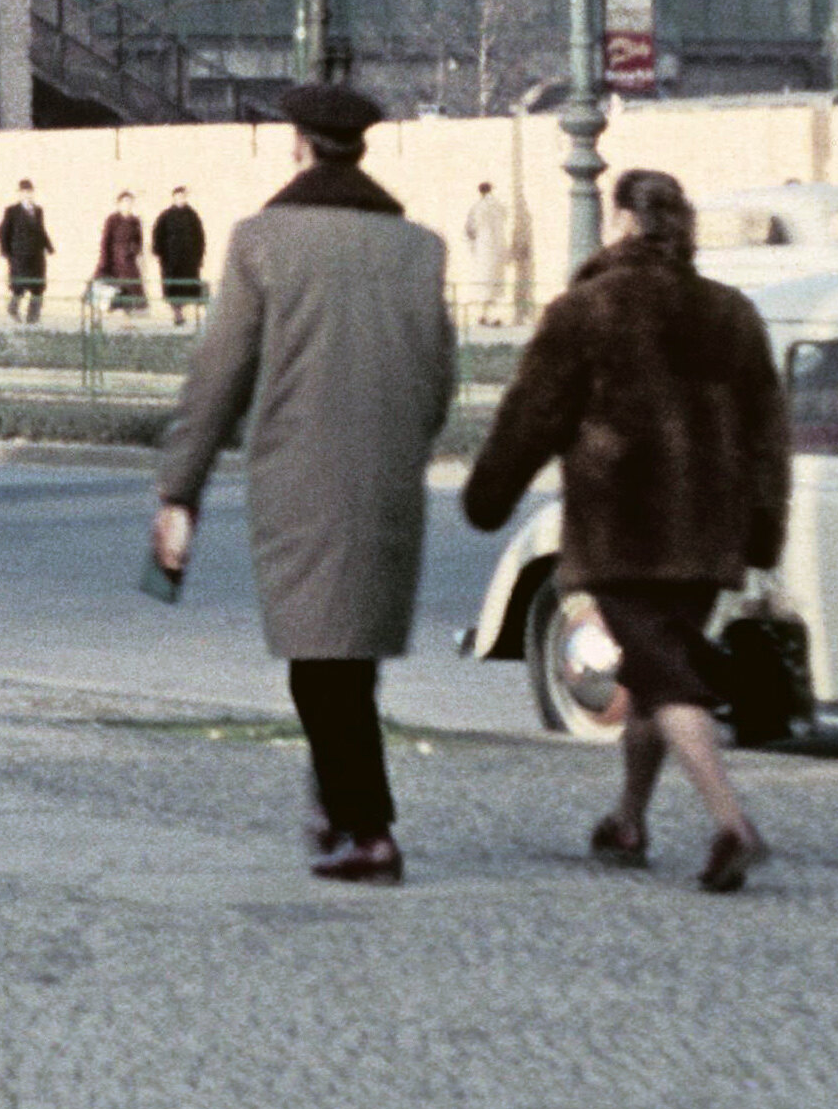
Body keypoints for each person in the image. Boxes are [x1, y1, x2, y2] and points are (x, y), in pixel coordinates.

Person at [151, 83, 456, 883]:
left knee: (318, 662)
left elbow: (218, 375)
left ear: (298, 144)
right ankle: (335, 804)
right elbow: (438, 380)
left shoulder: (261, 241)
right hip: (387, 475)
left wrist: (178, 487)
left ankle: (369, 829)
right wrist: (398, 445)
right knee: (348, 654)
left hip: (298, 477)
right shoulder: (418, 247)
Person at [462, 168, 789, 894]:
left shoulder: (586, 310)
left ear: (619, 223)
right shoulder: (732, 313)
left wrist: (489, 494)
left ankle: (730, 822)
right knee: (653, 674)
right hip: (708, 532)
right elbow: (768, 435)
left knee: (665, 675)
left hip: (622, 527)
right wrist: (763, 530)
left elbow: (531, 416)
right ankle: (628, 821)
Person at [462, 179, 530, 327]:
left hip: (483, 248)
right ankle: (489, 315)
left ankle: (485, 315)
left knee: (485, 283)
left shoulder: (477, 207)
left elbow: (469, 230)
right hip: (497, 247)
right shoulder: (499, 206)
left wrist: (473, 244)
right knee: (495, 284)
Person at [0, 181, 54, 323]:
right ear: (20, 194)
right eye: (25, 192)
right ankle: (13, 308)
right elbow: (2, 231)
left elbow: (41, 230)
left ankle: (33, 318)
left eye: (30, 192)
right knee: (19, 286)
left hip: (37, 256)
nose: (28, 195)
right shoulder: (12, 211)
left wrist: (49, 246)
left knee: (38, 287)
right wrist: (5, 251)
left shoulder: (38, 210)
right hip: (19, 257)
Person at [151, 186, 208, 324]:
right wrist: (160, 253)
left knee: (189, 288)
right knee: (173, 289)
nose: (180, 199)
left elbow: (200, 237)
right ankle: (178, 315)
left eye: (182, 197)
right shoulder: (165, 216)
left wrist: (199, 256)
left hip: (189, 260)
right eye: (178, 197)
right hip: (171, 261)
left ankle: (195, 319)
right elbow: (158, 235)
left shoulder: (192, 216)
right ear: (173, 198)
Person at [87, 191, 149, 319]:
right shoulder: (112, 219)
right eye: (124, 202)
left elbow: (139, 240)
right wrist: (104, 260)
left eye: (130, 202)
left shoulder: (135, 221)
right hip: (114, 259)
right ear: (119, 204)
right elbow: (105, 240)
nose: (127, 205)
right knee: (110, 288)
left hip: (129, 261)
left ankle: (128, 318)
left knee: (131, 289)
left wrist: (135, 249)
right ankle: (103, 318)